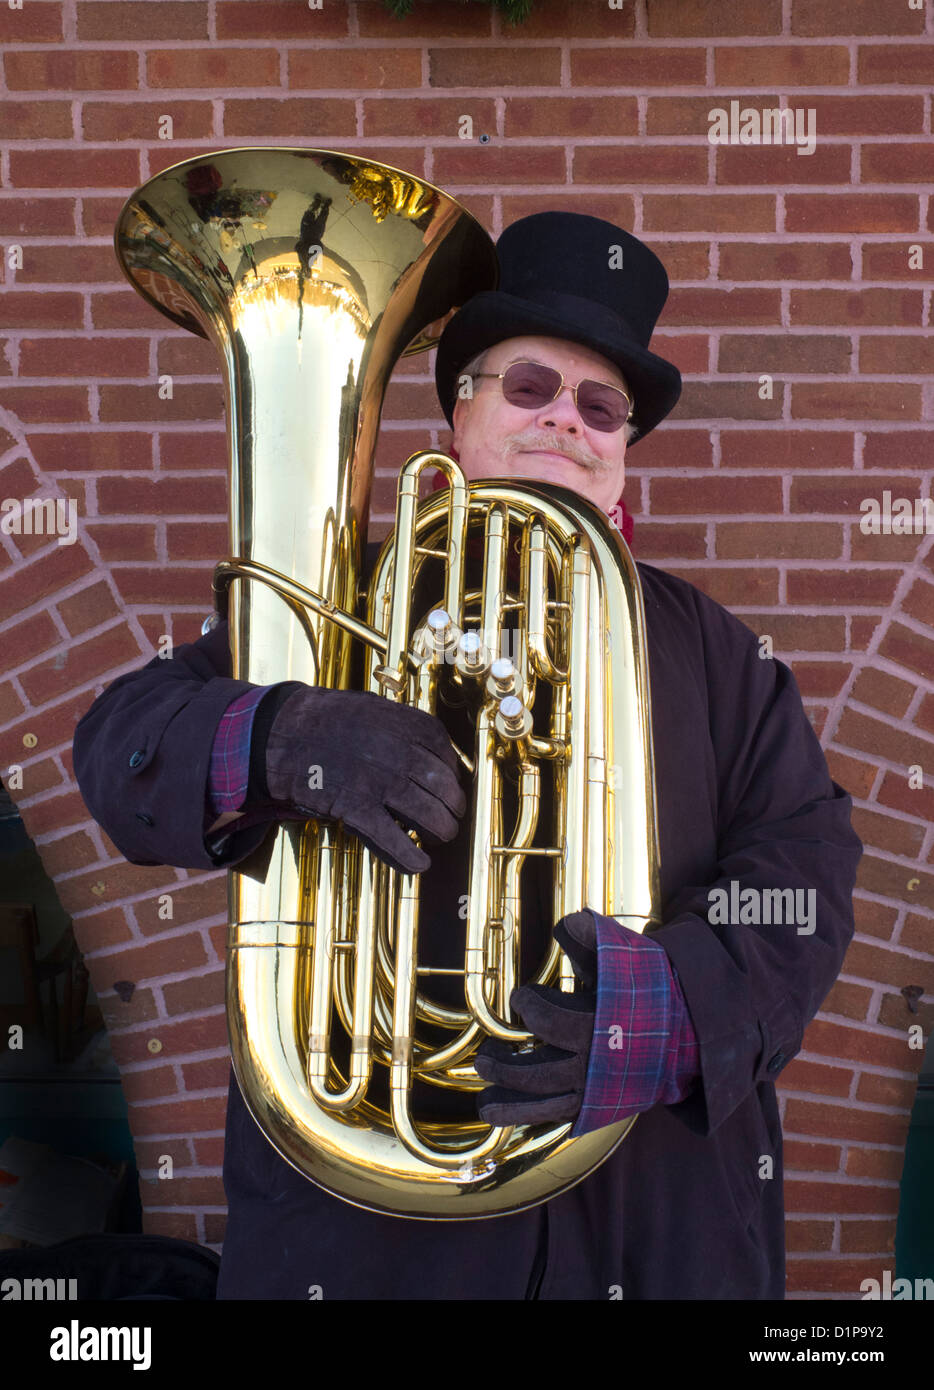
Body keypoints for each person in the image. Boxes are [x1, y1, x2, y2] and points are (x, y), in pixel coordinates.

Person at [72, 213, 862, 1300]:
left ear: (623, 445)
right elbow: (121, 744)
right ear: (461, 408)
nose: (565, 424)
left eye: (601, 407)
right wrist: (280, 737)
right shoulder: (335, 608)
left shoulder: (717, 651)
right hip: (369, 1238)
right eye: (529, 387)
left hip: (649, 1231)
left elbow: (806, 880)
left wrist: (672, 1010)